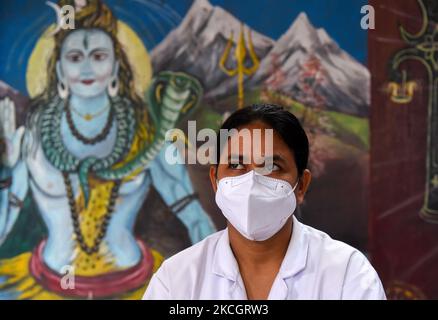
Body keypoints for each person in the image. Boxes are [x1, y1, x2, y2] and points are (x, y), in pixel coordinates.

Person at [143, 104, 386, 300]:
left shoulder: (347, 273)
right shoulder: (176, 280)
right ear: (215, 180)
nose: (252, 182)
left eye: (272, 166)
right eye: (236, 165)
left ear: (301, 185)